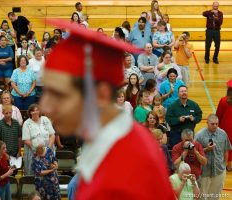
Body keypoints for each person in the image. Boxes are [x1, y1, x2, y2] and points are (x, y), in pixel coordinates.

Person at [40, 19, 175, 199]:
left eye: (58, 94)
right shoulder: (110, 140)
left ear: (101, 95)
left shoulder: (123, 174)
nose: (45, 106)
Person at [194, 114, 231, 200]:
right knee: (202, 197)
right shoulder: (199, 135)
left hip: (219, 172)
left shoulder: (223, 134)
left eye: (216, 124)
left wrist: (224, 165)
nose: (215, 126)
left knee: (215, 197)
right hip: (204, 173)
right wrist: (206, 149)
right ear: (207, 123)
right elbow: (194, 153)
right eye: (212, 124)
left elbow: (226, 150)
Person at [22, 104, 55, 175]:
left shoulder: (45, 119)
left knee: (49, 170)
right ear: (30, 112)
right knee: (35, 173)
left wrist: (48, 149)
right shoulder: (26, 123)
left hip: (47, 150)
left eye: (37, 110)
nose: (35, 112)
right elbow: (26, 140)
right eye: (33, 111)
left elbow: (52, 135)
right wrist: (37, 150)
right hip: (33, 151)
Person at [216, 80, 232, 171]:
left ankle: (228, 165)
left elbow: (218, 114)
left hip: (225, 127)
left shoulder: (223, 100)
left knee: (226, 145)